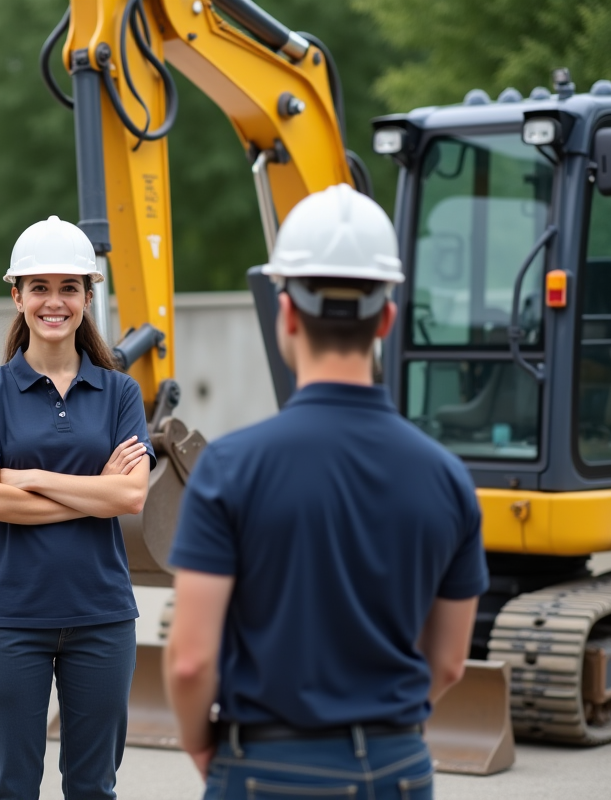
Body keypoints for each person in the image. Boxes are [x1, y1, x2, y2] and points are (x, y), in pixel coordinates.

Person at [164, 185, 488, 799]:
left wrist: (198, 742)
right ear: (387, 319)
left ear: (287, 313)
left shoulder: (231, 466)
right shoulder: (447, 476)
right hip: (400, 768)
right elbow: (447, 663)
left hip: (266, 766)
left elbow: (188, 660)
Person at [0, 215, 154, 800]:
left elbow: (132, 495)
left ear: (89, 297)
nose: (54, 302)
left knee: (94, 788)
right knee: (11, 788)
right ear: (17, 296)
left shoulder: (119, 393)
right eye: (40, 287)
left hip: (102, 617)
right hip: (11, 618)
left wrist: (33, 477)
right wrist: (94, 494)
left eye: (69, 288)